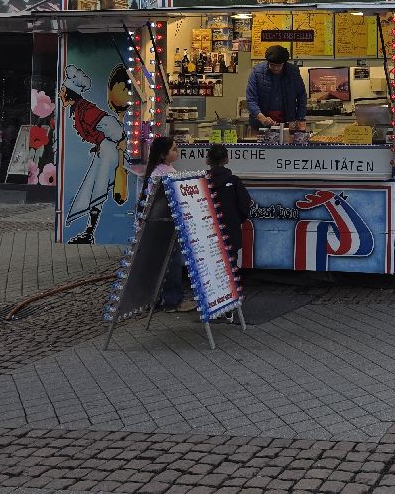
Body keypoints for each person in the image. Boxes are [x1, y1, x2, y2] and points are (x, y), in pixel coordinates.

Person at [61, 64, 129, 244]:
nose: (60, 94)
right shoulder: (80, 109)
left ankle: (89, 233)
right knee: (94, 189)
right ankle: (89, 232)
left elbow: (112, 127)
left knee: (96, 188)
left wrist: (119, 139)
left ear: (70, 94)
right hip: (105, 151)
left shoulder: (86, 110)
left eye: (62, 90)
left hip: (108, 153)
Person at [141, 136, 197, 313]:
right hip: (166, 223)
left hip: (158, 223)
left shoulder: (157, 170)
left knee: (161, 263)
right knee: (172, 262)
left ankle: (158, 298)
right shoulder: (165, 174)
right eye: (173, 149)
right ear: (163, 154)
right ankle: (173, 301)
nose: (177, 151)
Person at [206, 144, 252, 266]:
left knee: (209, 265)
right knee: (231, 266)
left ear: (208, 160)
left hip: (207, 232)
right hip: (231, 230)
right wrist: (237, 220)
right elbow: (245, 203)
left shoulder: (202, 182)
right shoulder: (234, 181)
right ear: (227, 159)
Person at [246, 45, 307, 130]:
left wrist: (300, 118)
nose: (275, 68)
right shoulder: (257, 72)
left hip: (287, 121)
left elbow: (302, 96)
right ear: (268, 62)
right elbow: (251, 99)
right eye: (272, 65)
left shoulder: (293, 72)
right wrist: (262, 118)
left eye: (279, 66)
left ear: (284, 63)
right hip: (261, 122)